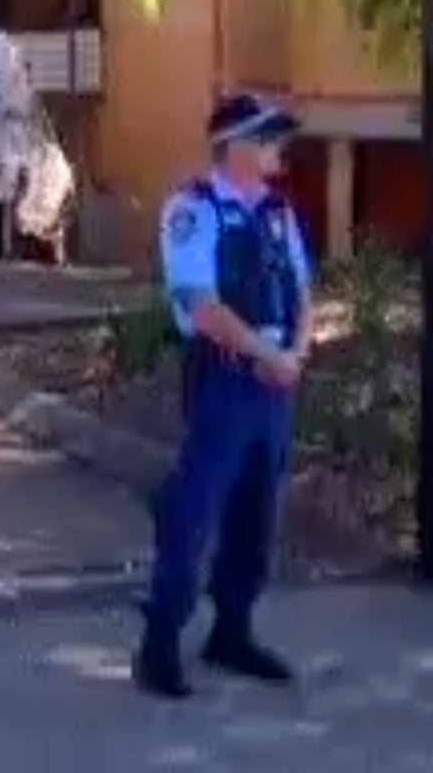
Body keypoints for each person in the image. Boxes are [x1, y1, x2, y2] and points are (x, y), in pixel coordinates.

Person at [132, 91, 313, 700]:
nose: (277, 150)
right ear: (233, 146)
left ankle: (232, 633)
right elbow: (202, 307)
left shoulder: (279, 213)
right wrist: (269, 358)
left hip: (273, 387)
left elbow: (304, 292)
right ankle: (159, 646)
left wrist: (296, 355)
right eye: (266, 139)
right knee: (195, 513)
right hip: (225, 380)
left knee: (257, 518)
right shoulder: (194, 209)